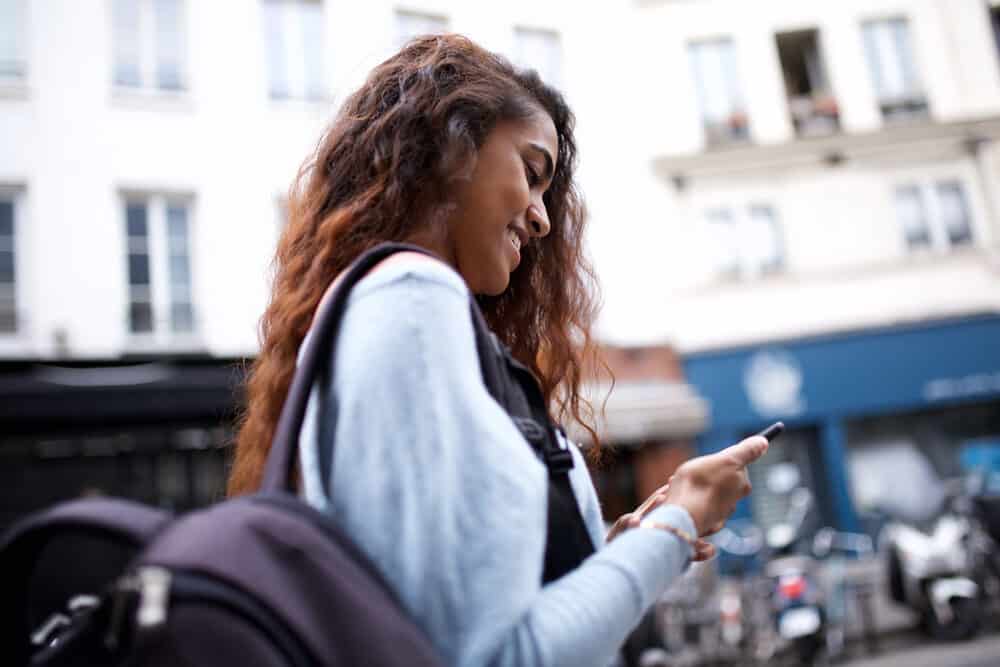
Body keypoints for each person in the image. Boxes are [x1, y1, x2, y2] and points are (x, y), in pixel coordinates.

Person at [227, 34, 767, 667]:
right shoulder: (412, 297)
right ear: (452, 148)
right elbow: (495, 656)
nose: (541, 219)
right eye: (532, 172)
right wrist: (678, 524)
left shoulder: (381, 311)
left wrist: (624, 546)